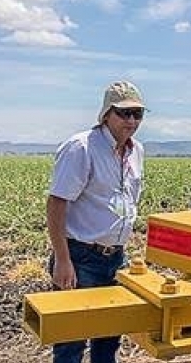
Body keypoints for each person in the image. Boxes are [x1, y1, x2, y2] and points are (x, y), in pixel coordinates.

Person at [45, 80, 147, 363]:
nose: (131, 120)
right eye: (123, 113)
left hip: (115, 258)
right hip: (80, 256)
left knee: (109, 338)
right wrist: (62, 260)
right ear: (106, 114)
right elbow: (56, 203)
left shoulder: (137, 150)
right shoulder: (82, 148)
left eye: (137, 114)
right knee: (70, 341)